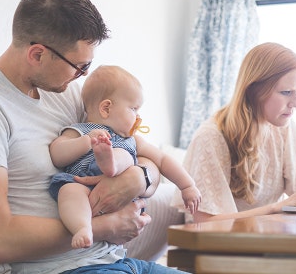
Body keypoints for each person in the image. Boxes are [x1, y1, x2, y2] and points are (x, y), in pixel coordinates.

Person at [0, 0, 188, 273]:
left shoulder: (67, 94)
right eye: (78, 66)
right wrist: (106, 226)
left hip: (116, 261)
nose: (82, 76)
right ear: (37, 54)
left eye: (88, 67)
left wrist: (139, 178)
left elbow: (138, 148)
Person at [173, 42, 296, 223]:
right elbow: (204, 221)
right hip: (219, 243)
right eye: (286, 92)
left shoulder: (284, 127)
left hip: (264, 237)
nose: (295, 103)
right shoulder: (212, 136)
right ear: (254, 91)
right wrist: (275, 208)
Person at [49, 65, 201, 249]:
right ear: (106, 108)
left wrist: (187, 185)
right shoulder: (80, 130)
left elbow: (162, 160)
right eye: (134, 109)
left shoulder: (133, 140)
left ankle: (110, 162)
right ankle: (83, 228)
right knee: (68, 191)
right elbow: (57, 154)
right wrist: (86, 142)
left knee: (125, 155)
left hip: (119, 201)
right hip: (83, 187)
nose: (138, 118)